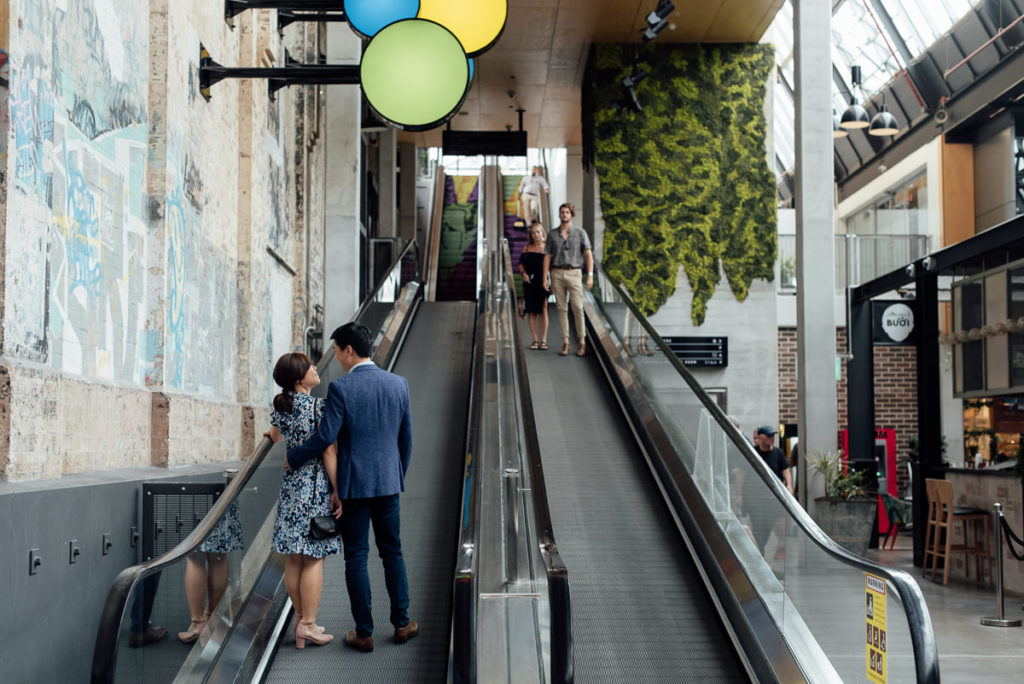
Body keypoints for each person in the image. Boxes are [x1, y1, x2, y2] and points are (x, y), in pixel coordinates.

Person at [287, 323, 416, 653]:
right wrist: (395, 473)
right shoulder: (398, 384)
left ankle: (364, 632)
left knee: (356, 558)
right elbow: (406, 440)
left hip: (353, 486)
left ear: (348, 350)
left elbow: (326, 436)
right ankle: (402, 624)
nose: (338, 360)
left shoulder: (341, 389)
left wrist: (296, 456)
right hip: (388, 484)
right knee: (393, 552)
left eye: (338, 352)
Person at [265, 352, 340, 649]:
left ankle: (300, 617)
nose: (314, 369)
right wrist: (338, 490)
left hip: (291, 489)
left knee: (294, 557)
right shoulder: (318, 407)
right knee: (314, 557)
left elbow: (274, 436)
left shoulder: (282, 406)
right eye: (309, 367)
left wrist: (272, 434)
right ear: (299, 378)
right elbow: (329, 451)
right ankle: (308, 625)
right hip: (314, 488)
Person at [177, 497, 243, 643]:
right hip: (222, 492)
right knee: (218, 557)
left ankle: (197, 624)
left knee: (194, 558)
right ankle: (212, 617)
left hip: (195, 493)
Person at [542, 202, 594, 357]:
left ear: (572, 215)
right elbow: (547, 256)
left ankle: (582, 342)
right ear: (559, 215)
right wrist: (545, 276)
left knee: (577, 307)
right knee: (561, 308)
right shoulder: (552, 234)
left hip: (574, 273)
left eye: (567, 212)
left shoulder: (580, 233)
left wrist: (590, 276)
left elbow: (588, 255)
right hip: (557, 273)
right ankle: (566, 342)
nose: (564, 214)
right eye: (562, 212)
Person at [519, 221, 549, 350]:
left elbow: (551, 266)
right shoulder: (526, 248)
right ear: (530, 235)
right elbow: (520, 264)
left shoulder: (547, 248)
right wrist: (523, 274)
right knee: (531, 310)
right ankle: (535, 340)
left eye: (538, 232)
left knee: (543, 309)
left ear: (542, 233)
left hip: (542, 280)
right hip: (529, 281)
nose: (536, 235)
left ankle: (543, 340)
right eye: (533, 232)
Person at [754, 425, 793, 494]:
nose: (772, 438)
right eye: (769, 436)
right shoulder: (754, 452)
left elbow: (786, 470)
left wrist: (789, 486)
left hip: (774, 492)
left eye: (773, 436)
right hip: (757, 491)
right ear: (760, 437)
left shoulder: (778, 453)